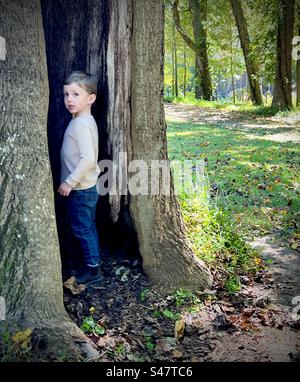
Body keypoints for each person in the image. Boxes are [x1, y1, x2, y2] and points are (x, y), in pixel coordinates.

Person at [58, 71, 101, 285]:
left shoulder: (82, 124)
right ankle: (88, 261)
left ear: (90, 98)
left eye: (75, 94)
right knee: (85, 226)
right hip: (84, 188)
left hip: (81, 189)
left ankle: (93, 269)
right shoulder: (82, 120)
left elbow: (88, 160)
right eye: (66, 94)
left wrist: (69, 182)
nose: (69, 99)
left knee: (83, 228)